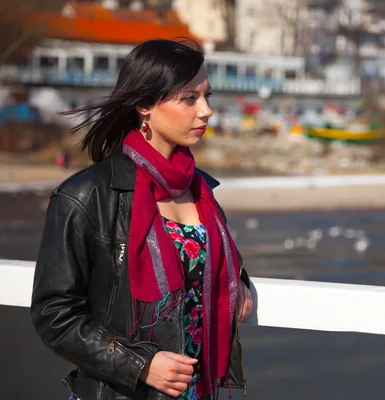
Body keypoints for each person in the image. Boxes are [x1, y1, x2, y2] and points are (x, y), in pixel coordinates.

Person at [30, 38, 253, 400]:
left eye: (207, 96)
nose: (207, 110)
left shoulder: (200, 190)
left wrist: (238, 278)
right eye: (189, 98)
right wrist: (141, 365)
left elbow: (199, 260)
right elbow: (54, 314)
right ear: (145, 105)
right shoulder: (87, 196)